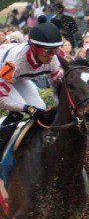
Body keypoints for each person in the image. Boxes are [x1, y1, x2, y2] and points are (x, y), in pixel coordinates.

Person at [0, 17, 64, 148]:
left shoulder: (53, 60)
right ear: (34, 48)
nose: (52, 55)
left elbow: (58, 90)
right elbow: (2, 99)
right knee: (20, 111)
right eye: (47, 51)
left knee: (40, 110)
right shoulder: (14, 62)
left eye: (55, 50)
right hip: (5, 72)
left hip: (18, 77)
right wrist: (26, 108)